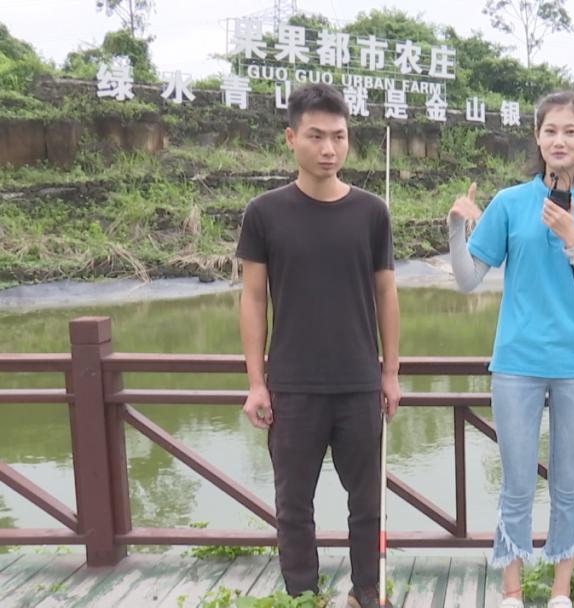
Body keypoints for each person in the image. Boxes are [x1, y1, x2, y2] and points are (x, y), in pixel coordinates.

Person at [446, 91, 574, 608]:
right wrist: (457, 227)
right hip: (517, 363)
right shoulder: (509, 203)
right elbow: (468, 281)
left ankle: (560, 592)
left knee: (568, 483)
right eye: (550, 130)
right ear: (537, 137)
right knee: (517, 482)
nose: (559, 140)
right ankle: (512, 591)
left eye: (571, 131)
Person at [236, 83, 401, 608]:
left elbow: (386, 294)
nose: (329, 148)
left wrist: (390, 373)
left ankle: (367, 591)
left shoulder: (372, 212)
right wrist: (256, 383)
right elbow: (253, 299)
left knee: (367, 503)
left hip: (359, 383)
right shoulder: (264, 212)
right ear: (291, 138)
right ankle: (302, 595)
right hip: (292, 385)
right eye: (316, 136)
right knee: (293, 506)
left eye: (339, 137)